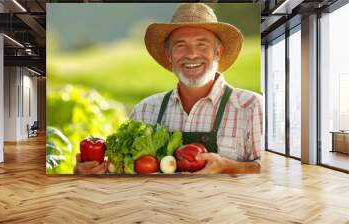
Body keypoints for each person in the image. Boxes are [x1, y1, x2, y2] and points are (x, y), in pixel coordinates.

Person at [75, 3, 263, 174]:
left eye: (202, 45)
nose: (191, 54)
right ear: (169, 55)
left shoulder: (252, 107)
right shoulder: (145, 111)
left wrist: (230, 167)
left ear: (218, 53)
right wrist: (90, 174)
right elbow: (124, 174)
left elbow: (272, 171)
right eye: (181, 46)